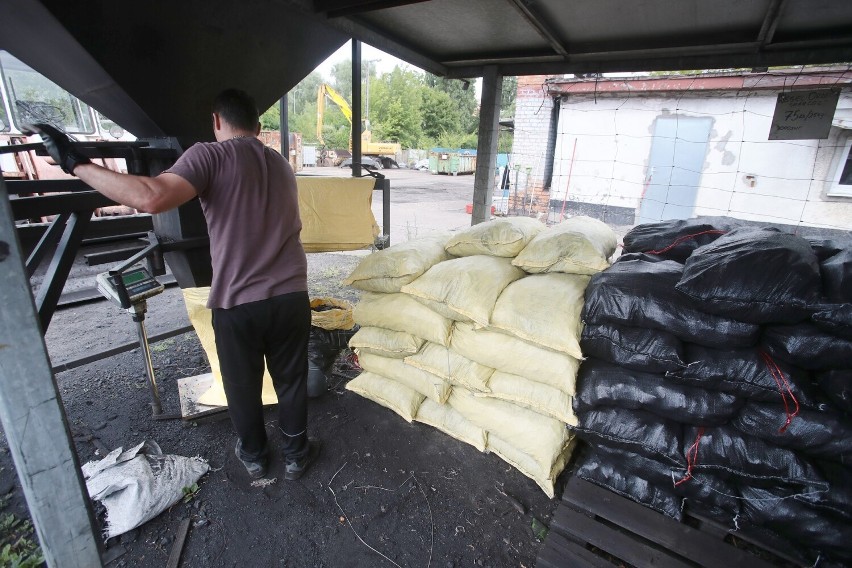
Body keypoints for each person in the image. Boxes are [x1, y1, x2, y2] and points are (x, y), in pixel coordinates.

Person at [27, 88, 320, 480]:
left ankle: (254, 456)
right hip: (291, 295)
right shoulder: (282, 164)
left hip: (238, 302)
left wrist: (75, 162)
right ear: (259, 126)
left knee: (242, 384)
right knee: (292, 379)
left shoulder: (210, 153)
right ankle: (297, 455)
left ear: (216, 121)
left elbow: (151, 198)